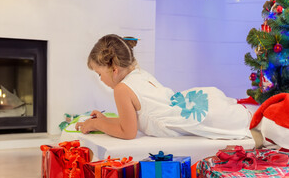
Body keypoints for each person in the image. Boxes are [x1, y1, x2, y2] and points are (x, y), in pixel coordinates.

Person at [75, 34, 253, 140]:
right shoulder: (139, 74)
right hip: (182, 103)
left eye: (100, 74)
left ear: (114, 70)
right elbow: (131, 122)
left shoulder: (122, 89)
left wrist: (97, 123)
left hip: (181, 116)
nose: (100, 80)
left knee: (238, 120)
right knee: (242, 113)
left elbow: (128, 131)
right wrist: (103, 120)